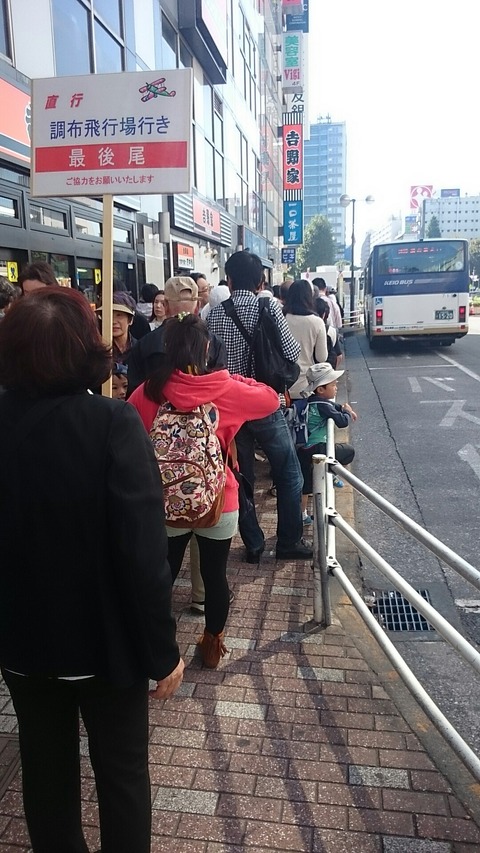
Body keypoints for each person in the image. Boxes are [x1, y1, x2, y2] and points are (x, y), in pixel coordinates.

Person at [0, 286, 184, 853]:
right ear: (87, 347)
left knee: (44, 769)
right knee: (122, 775)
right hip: (107, 647)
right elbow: (142, 555)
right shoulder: (112, 424)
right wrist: (162, 652)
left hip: (22, 643)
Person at [128, 313, 279, 667]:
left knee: (162, 573)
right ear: (208, 347)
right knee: (215, 575)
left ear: (166, 349)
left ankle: (155, 645)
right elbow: (271, 398)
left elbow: (129, 434)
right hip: (218, 500)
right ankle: (212, 648)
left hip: (164, 502)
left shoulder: (147, 391)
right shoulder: (226, 390)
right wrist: (228, 377)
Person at [207, 250, 312, 562]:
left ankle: (253, 544)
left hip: (229, 404)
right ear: (261, 280)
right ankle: (289, 541)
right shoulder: (267, 306)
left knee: (242, 478)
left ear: (228, 279)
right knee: (289, 472)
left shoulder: (214, 313)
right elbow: (291, 351)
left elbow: (209, 362)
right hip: (264, 401)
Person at [127, 276, 226, 395]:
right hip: (206, 410)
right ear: (198, 306)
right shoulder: (214, 342)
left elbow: (134, 391)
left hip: (152, 411)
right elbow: (220, 386)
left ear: (166, 306)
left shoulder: (145, 344)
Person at [297, 362, 357, 518]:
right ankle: (332, 475)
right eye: (333, 385)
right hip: (317, 448)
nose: (336, 387)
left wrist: (341, 408)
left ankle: (302, 515)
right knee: (348, 452)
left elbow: (333, 407)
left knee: (306, 484)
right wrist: (347, 412)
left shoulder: (312, 401)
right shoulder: (323, 405)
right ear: (321, 389)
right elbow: (342, 422)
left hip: (303, 448)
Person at [283, 279, 328, 399]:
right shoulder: (317, 322)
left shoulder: (281, 318)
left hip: (283, 388)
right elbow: (321, 357)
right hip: (306, 387)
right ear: (310, 297)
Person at [96, 293, 138, 365]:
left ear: (130, 320)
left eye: (119, 315)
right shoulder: (98, 350)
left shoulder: (140, 348)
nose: (113, 321)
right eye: (109, 315)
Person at [315, 296, 343, 369]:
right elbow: (339, 356)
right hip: (327, 371)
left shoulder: (306, 327)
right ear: (324, 314)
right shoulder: (331, 331)